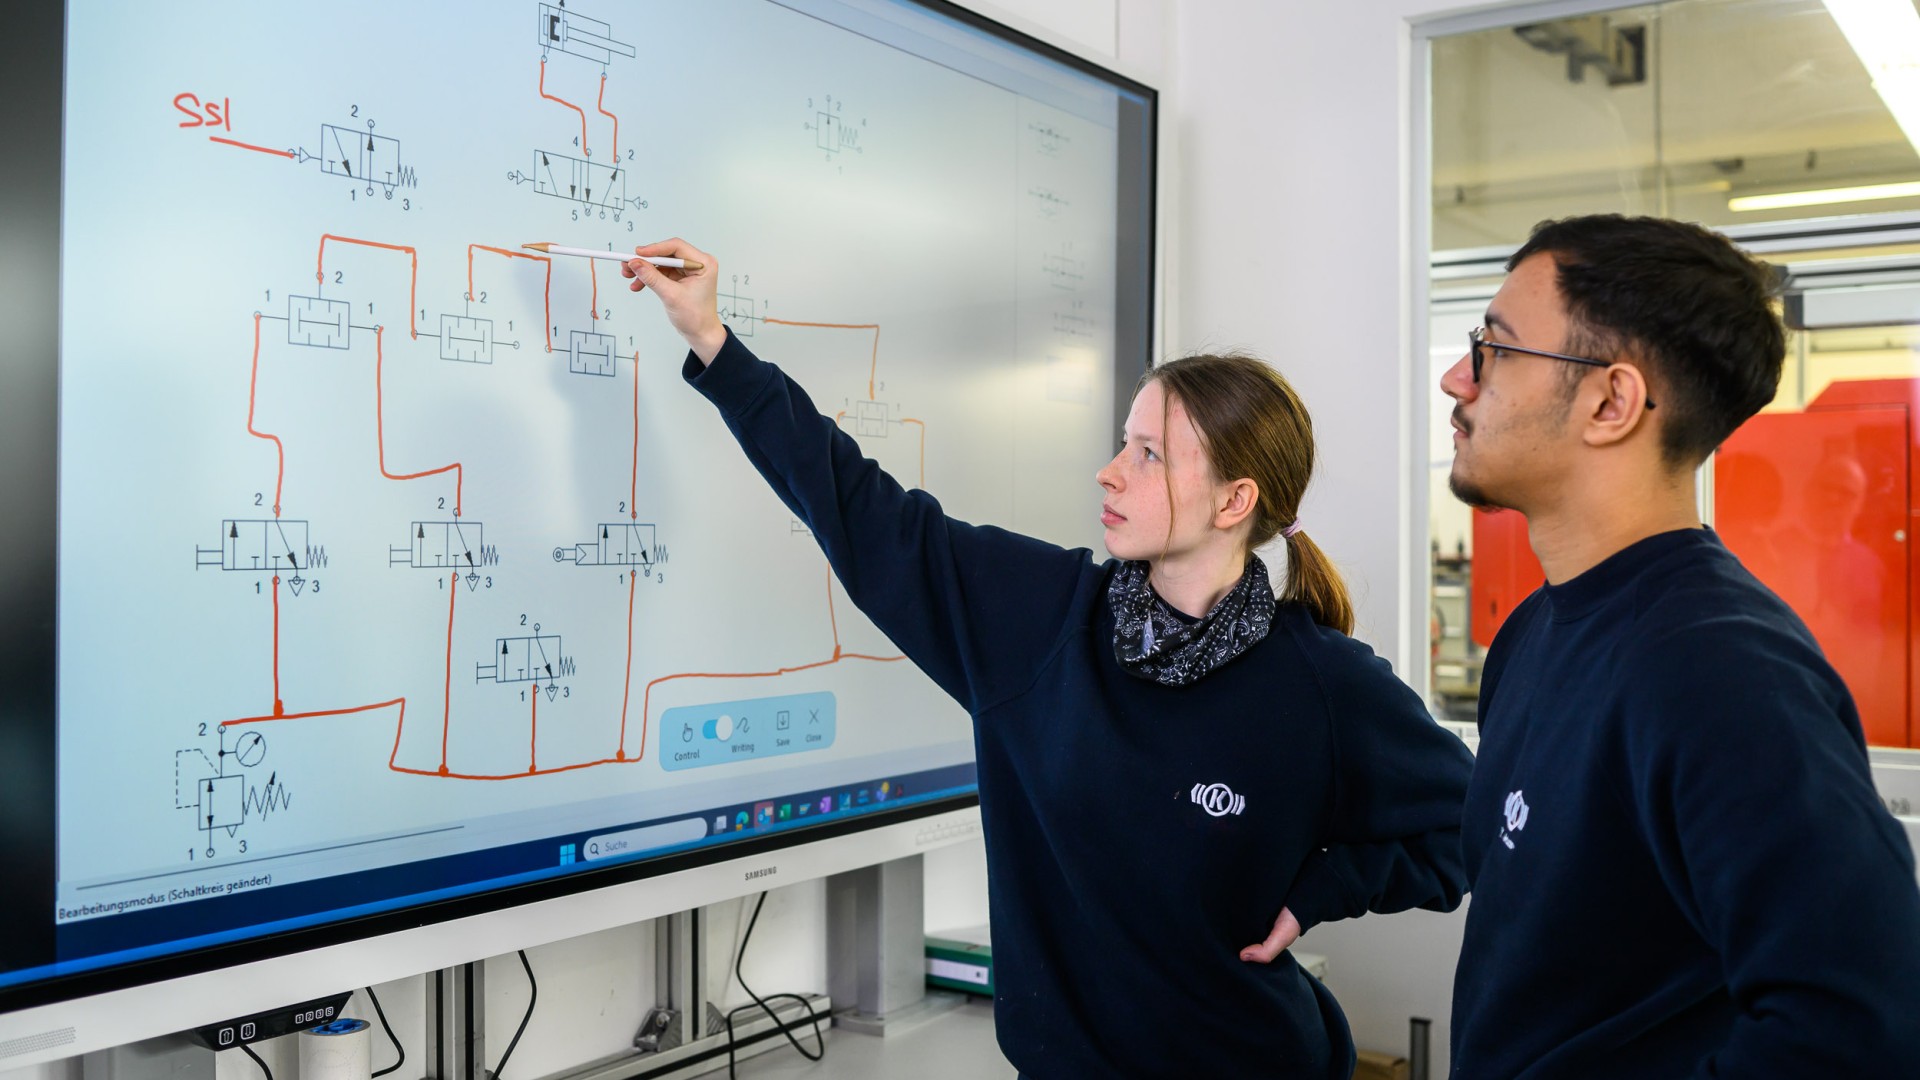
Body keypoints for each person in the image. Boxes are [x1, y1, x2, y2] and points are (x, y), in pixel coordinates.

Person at [624, 238, 1472, 1077]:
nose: (1109, 473)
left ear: (1234, 500)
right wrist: (712, 341)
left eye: (1148, 455)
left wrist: (1319, 893)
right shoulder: (1040, 620)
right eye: (1122, 443)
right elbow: (859, 508)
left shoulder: (1323, 685)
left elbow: (1473, 826)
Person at [1440, 214, 1920, 1077]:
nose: (1456, 379)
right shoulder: (1535, 631)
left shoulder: (1723, 674)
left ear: (1611, 402)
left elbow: (1864, 1024)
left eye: (1494, 351)